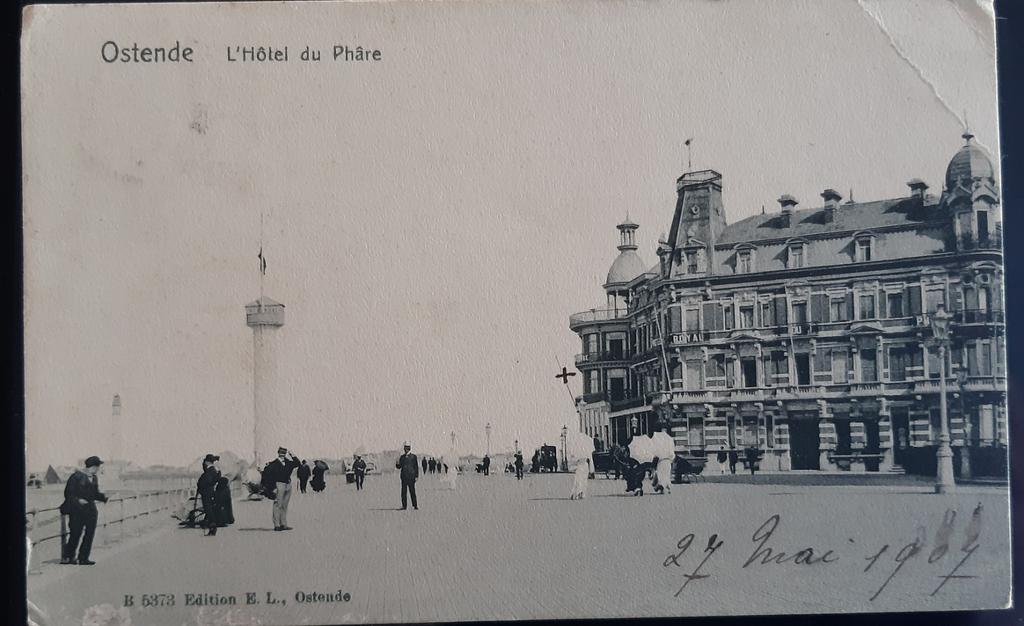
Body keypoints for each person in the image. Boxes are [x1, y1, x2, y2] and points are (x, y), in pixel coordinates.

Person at [60, 455, 108, 564]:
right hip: (77, 510)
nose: (98, 469)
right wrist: (78, 500)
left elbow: (94, 493)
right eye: (98, 466)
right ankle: (69, 557)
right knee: (75, 533)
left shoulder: (94, 478)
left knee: (89, 534)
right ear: (93, 467)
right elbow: (68, 494)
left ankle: (83, 558)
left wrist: (104, 497)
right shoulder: (76, 477)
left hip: (91, 510)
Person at [264, 447, 300, 531]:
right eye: (281, 453)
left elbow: (298, 463)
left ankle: (283, 524)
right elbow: (268, 477)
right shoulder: (273, 464)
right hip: (279, 484)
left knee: (284, 505)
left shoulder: (288, 463)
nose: (282, 455)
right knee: (278, 505)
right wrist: (272, 488)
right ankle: (277, 525)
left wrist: (292, 455)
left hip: (288, 485)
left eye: (284, 453)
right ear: (278, 453)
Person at [196, 454, 221, 536]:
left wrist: (201, 485)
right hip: (209, 492)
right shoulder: (213, 470)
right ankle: (211, 527)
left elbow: (207, 481)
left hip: (207, 492)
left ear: (207, 462)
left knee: (208, 510)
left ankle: (212, 527)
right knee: (209, 510)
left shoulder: (210, 471)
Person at [395, 442, 419, 510]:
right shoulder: (402, 457)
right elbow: (399, 467)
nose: (405, 450)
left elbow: (416, 467)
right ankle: (404, 506)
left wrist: (416, 476)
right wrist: (397, 463)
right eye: (405, 448)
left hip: (411, 477)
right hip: (404, 477)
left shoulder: (413, 457)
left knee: (412, 492)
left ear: (409, 449)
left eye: (406, 448)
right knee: (403, 492)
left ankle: (415, 505)